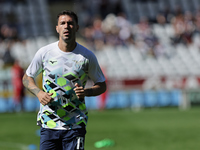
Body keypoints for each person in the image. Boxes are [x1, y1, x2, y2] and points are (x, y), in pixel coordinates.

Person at [22, 10, 106, 150]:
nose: (66, 26)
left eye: (70, 23)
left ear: (77, 27)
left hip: (75, 124)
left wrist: (86, 92)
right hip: (49, 123)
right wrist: (38, 93)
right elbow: (26, 78)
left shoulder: (87, 56)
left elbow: (102, 85)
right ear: (57, 28)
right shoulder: (45, 53)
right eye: (62, 23)